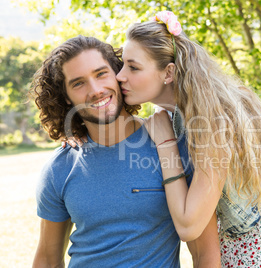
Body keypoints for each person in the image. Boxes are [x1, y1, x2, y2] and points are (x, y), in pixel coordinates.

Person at [115, 11, 261, 267]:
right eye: (123, 64)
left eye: (133, 67)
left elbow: (189, 225)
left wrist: (165, 143)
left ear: (168, 73)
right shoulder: (183, 110)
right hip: (246, 243)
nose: (120, 76)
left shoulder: (212, 121)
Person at [30, 35, 220, 267]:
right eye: (78, 83)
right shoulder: (60, 167)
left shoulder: (172, 147)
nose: (96, 90)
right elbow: (48, 260)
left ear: (119, 75)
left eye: (101, 74)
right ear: (67, 98)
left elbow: (205, 255)